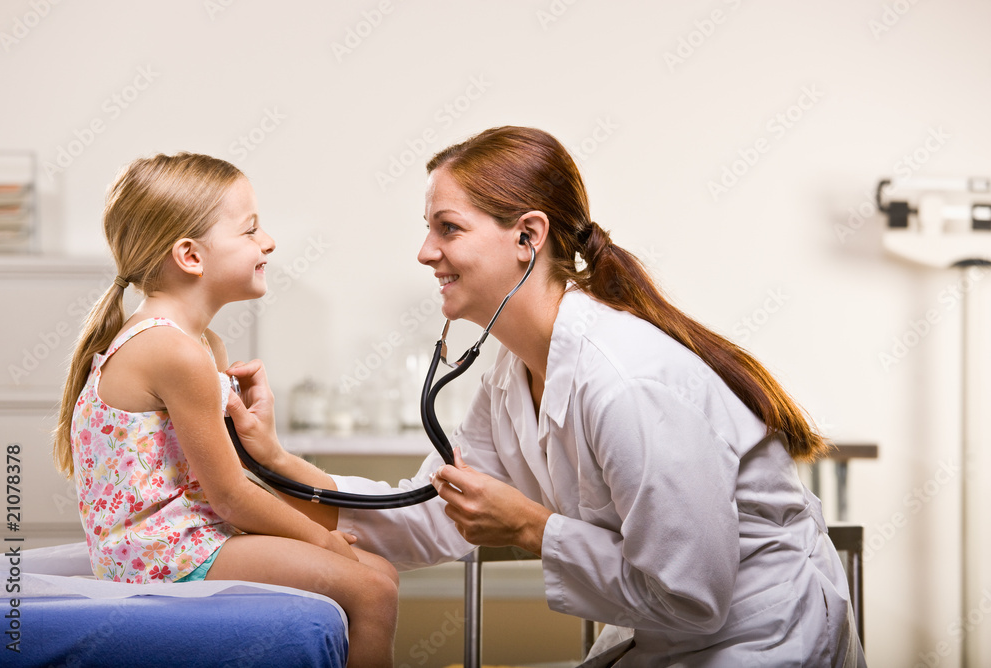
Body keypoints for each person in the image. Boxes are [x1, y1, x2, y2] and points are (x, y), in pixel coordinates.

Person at [229, 127, 867, 666]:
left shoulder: (627, 383)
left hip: (762, 640)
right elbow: (428, 514)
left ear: (527, 236)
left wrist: (532, 527)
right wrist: (277, 464)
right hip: (677, 640)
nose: (425, 253)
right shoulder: (513, 373)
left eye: (448, 229)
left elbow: (692, 594)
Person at [52, 153, 398, 668]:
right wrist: (325, 540)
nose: (269, 242)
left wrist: (273, 454)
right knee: (374, 591)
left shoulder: (201, 344)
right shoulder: (175, 351)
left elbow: (224, 479)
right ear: (190, 256)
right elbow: (231, 496)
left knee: (380, 574)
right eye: (251, 230)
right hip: (161, 555)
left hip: (191, 536)